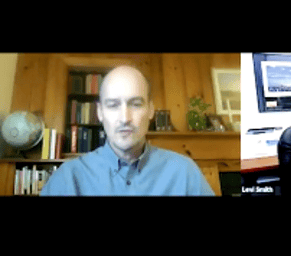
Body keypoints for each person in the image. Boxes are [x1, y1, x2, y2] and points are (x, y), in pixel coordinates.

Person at [41, 65, 214, 196]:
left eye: (136, 104)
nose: (125, 118)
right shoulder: (68, 177)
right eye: (113, 105)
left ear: (151, 110)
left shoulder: (184, 172)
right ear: (100, 112)